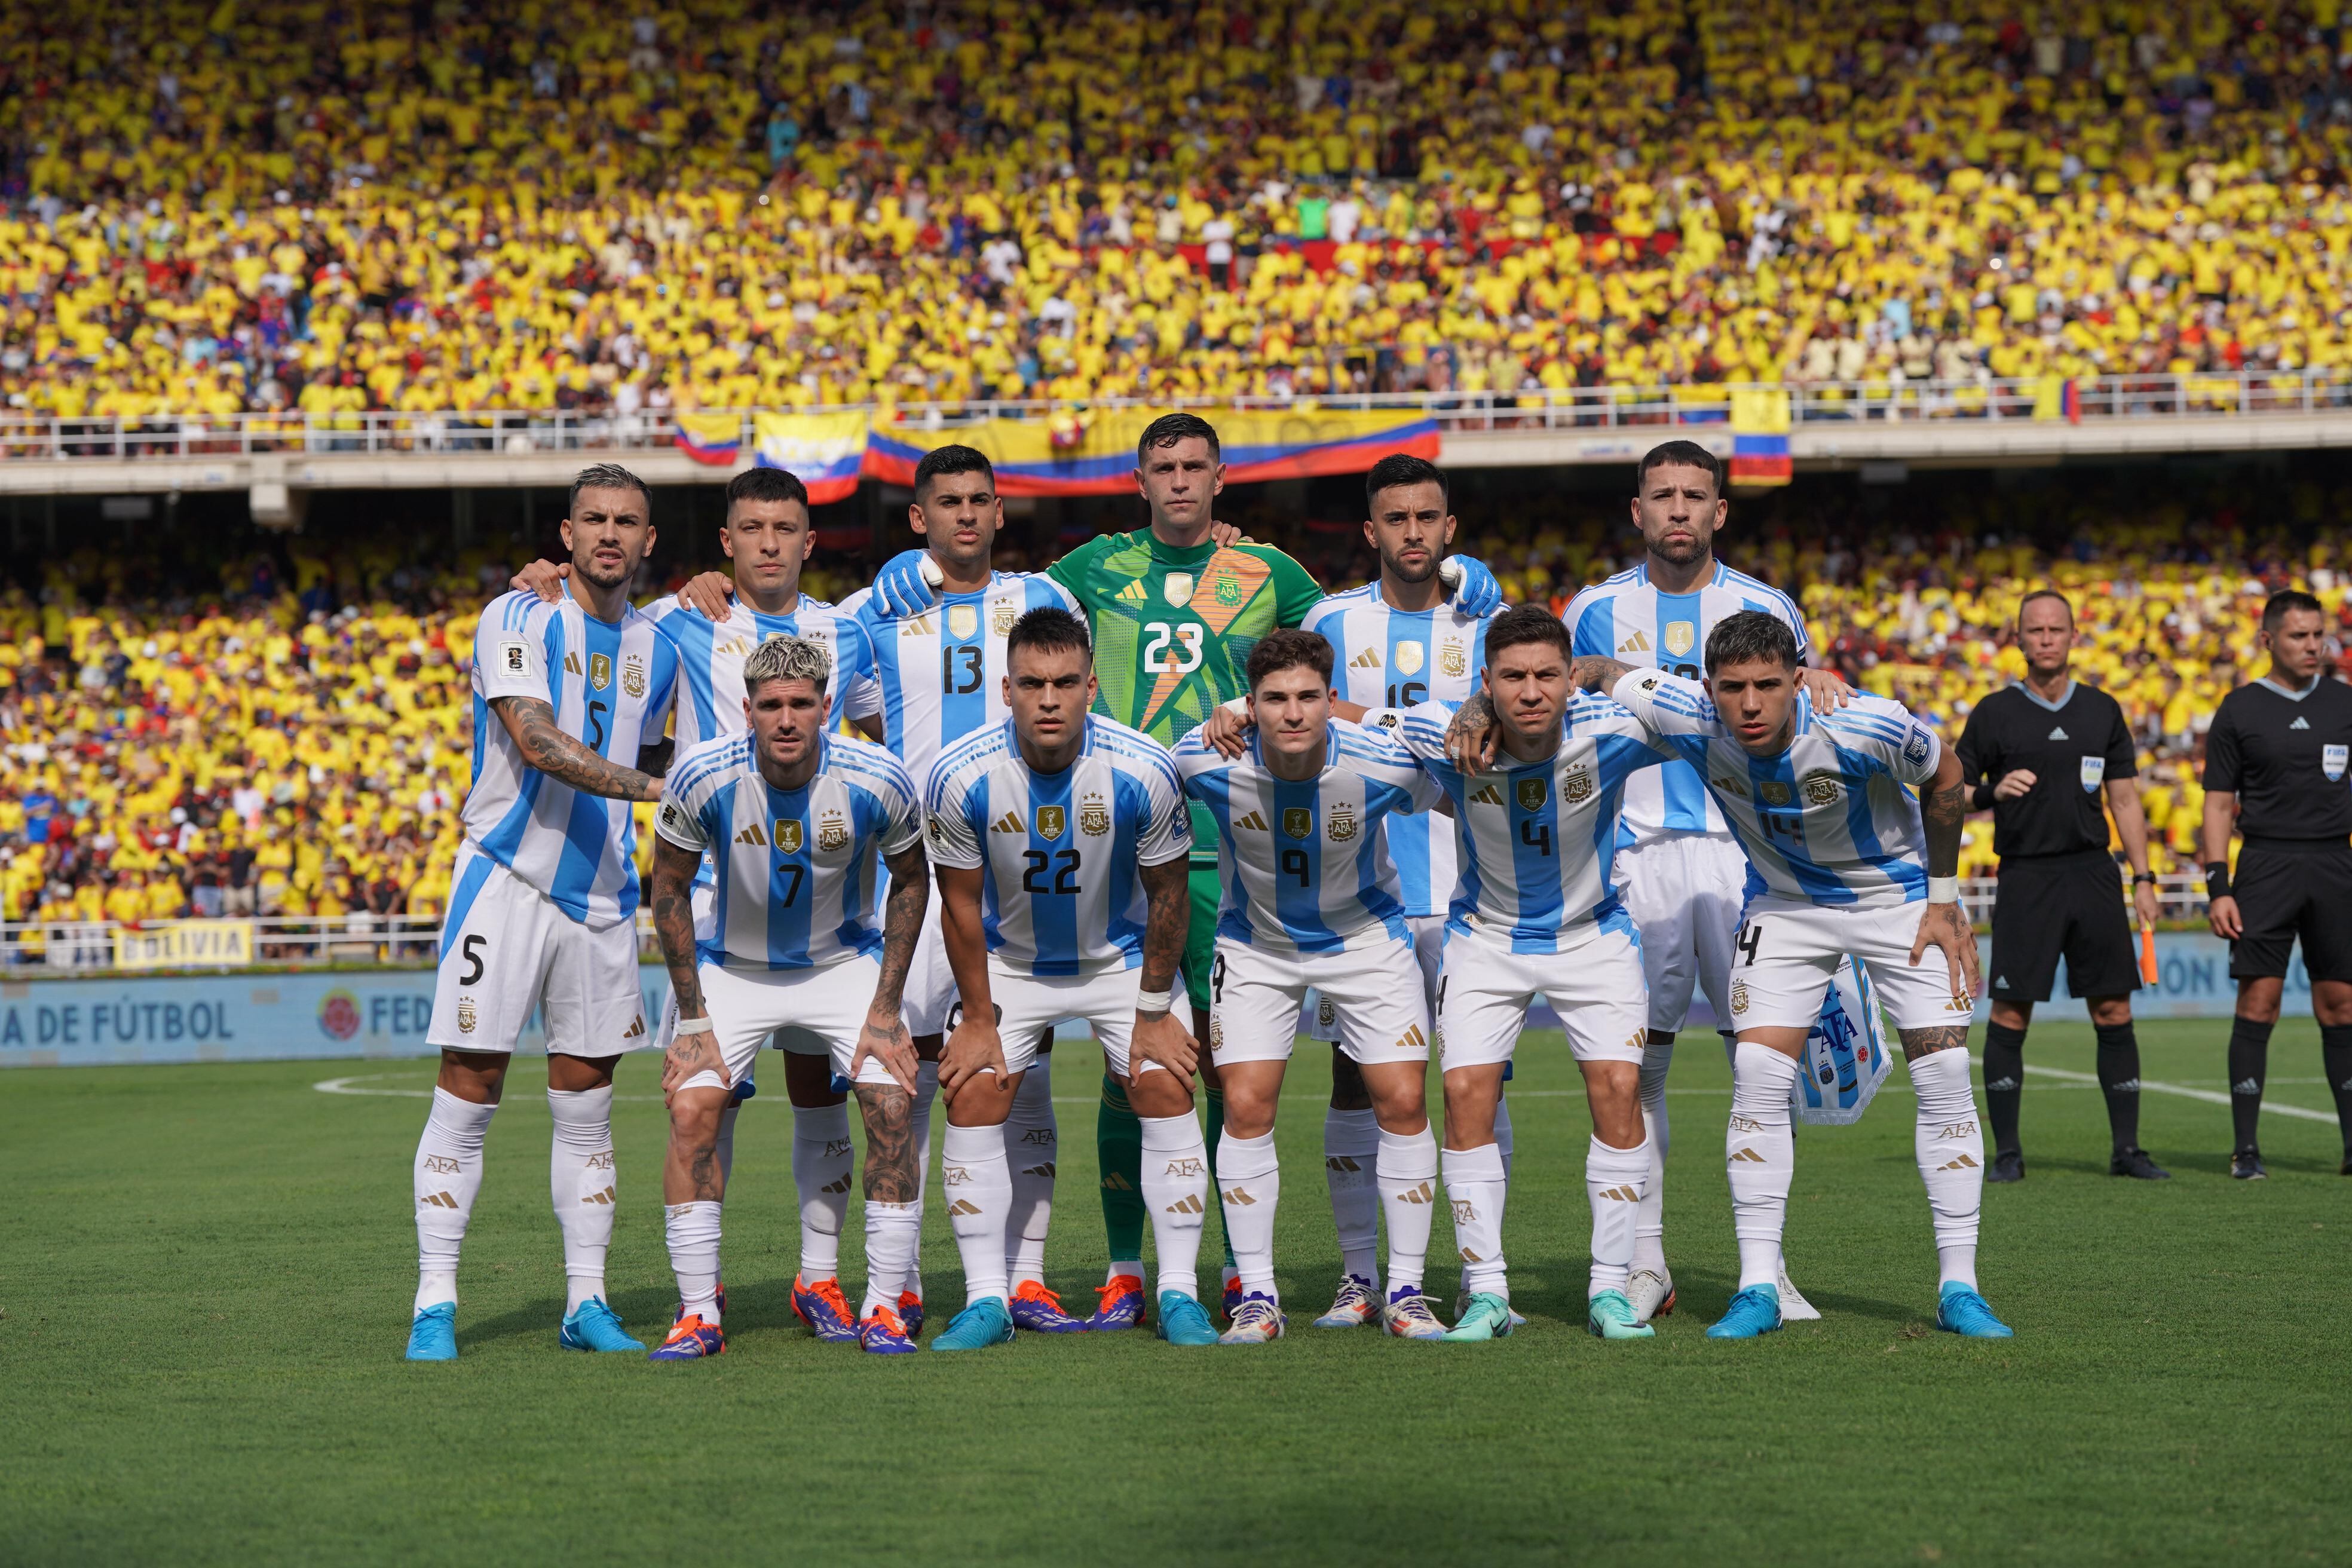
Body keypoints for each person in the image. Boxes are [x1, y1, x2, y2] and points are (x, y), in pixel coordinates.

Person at [868, 414, 1503, 1328]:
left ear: (1220, 477)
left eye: (1194, 467)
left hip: (1227, 847)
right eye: (1162, 467)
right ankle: (1128, 1267)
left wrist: (1458, 582)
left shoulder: (1273, 574)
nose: (1179, 482)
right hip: (1110, 837)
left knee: (1211, 1067)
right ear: (1140, 479)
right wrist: (910, 567)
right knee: (1138, 1061)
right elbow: (991, 590)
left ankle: (1235, 1274)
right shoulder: (1089, 568)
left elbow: (1330, 651)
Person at [519, 464, 889, 1339]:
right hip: (718, 906)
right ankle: (704, 1291)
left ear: (809, 540)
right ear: (727, 542)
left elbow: (886, 740)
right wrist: (539, 583)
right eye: (752, 529)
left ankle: (819, 1280)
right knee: (705, 1097)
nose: (769, 543)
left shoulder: (849, 635)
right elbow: (590, 616)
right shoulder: (683, 624)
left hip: (826, 902)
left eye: (786, 528)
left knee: (820, 1094)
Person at [1574, 611, 2014, 1340]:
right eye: (1734, 687)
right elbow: (1599, 671)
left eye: (1769, 685)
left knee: (1942, 1075)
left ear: (1797, 680)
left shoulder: (1862, 722)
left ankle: (1959, 1287)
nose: (1750, 704)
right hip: (1786, 907)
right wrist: (1477, 705)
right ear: (1706, 687)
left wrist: (1943, 898)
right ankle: (1757, 1286)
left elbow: (1948, 775)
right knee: (1755, 1073)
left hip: (1895, 900)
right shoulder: (1686, 711)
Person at [1546, 439, 1855, 1325]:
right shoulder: (1596, 609)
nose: (1677, 511)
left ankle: (1770, 1268)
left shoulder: (1764, 606)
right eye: (1661, 496)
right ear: (1637, 510)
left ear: (1721, 512)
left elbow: (1801, 721)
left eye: (1694, 497)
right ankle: (1648, 1265)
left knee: (1758, 1063)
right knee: (1637, 1071)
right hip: (1634, 855)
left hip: (1742, 857)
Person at [404, 463, 680, 1362]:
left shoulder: (662, 646)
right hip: (505, 880)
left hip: (600, 898)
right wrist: (659, 789)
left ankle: (586, 1304)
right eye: (593, 519)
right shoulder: (518, 615)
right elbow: (535, 738)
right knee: (471, 1085)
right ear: (565, 536)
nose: (609, 533)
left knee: (588, 1102)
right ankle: (435, 1303)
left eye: (627, 521)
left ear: (648, 541)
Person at [844, 445, 1092, 1331]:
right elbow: (816, 681)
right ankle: (901, 1282)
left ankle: (1023, 1280)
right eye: (946, 502)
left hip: (1019, 881)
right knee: (901, 1087)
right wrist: (700, 592)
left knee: (1020, 1080)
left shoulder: (1043, 601)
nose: (965, 516)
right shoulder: (872, 609)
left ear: (1000, 512)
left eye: (981, 500)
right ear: (919, 519)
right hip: (914, 876)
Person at [923, 607, 1216, 1349]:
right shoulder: (959, 774)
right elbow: (958, 906)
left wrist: (1154, 1009)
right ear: (1006, 689)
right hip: (1011, 965)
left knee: (1163, 1080)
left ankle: (1177, 1289)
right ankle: (988, 1298)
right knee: (973, 1091)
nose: (1047, 698)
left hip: (1119, 960)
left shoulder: (1142, 767)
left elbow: (1169, 897)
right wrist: (981, 1018)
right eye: (1031, 683)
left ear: (1090, 687)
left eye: (1062, 683)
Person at [1382, 607, 1670, 1342]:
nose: (1531, 691)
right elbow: (1348, 713)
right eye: (1512, 677)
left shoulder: (1614, 729)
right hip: (1485, 938)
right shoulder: (1445, 733)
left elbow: (1699, 706)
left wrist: (1819, 682)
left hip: (1592, 936)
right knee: (1464, 1093)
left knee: (1619, 1089)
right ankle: (1486, 1291)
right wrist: (1241, 706)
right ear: (1486, 682)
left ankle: (1609, 1289)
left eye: (1547, 674)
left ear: (1570, 680)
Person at [645, 635, 931, 1358]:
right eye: (770, 704)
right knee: (691, 1105)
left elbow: (912, 879)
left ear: (826, 706)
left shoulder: (878, 777)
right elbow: (670, 890)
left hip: (840, 961)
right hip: (733, 967)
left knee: (896, 1100)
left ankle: (884, 1307)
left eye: (801, 703)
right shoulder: (702, 775)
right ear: (747, 709)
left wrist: (887, 1009)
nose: (785, 718)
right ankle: (699, 1311)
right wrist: (692, 1018)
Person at [1171, 629, 1446, 1343]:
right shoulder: (1204, 757)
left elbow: (1464, 791)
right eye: (1273, 699)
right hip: (1257, 946)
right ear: (1250, 706)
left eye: (1307, 697)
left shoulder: (1385, 765)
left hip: (1367, 939)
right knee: (1246, 1104)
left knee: (1404, 1099)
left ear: (1331, 700)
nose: (1292, 714)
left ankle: (1405, 1288)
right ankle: (1259, 1296)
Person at [1293, 454, 1503, 1331]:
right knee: (1355, 1084)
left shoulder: (1487, 620)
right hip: (1363, 891)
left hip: (1472, 889)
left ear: (1449, 529)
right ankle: (1358, 1277)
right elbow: (1296, 707)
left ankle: (1479, 1277)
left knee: (1477, 1084)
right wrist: (1411, 728)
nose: (1412, 533)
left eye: (1427, 518)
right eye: (1395, 519)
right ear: (1371, 530)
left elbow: (1522, 706)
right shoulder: (1332, 619)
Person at [1955, 589, 2168, 1182]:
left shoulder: (2101, 709)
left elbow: (2124, 799)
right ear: (2019, 639)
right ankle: (2008, 1154)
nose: (2046, 638)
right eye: (2035, 629)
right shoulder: (1994, 713)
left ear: (2074, 636)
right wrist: (1992, 793)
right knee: (2011, 1011)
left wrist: (2144, 876)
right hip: (2026, 874)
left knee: (2113, 1007)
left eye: (2056, 629)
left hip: (2094, 873)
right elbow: (1952, 794)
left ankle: (2127, 1150)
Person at [2200, 588, 2352, 1180]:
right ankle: (2246, 1149)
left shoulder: (2345, 702)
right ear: (2268, 640)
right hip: (2264, 866)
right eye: (2298, 635)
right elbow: (2217, 806)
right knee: (2258, 1002)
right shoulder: (2239, 709)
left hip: (2335, 866)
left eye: (2318, 634)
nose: (2312, 645)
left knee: (2340, 1005)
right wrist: (2219, 885)